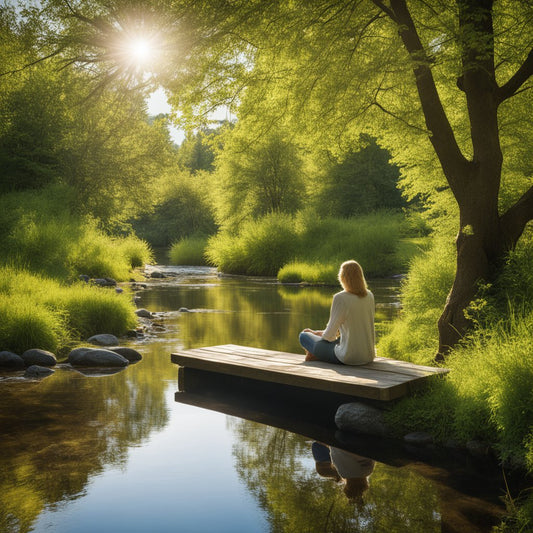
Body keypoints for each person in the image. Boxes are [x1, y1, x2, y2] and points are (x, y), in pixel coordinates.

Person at [299, 260, 375, 365]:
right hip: (368, 356)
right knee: (330, 339)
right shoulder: (369, 295)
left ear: (342, 277)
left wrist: (315, 333)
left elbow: (329, 336)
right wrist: (318, 333)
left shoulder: (340, 298)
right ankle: (315, 355)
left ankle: (314, 355)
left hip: (349, 357)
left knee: (304, 335)